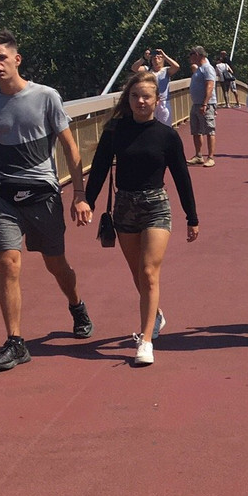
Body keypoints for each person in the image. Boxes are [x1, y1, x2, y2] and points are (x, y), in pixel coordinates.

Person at [0, 29, 95, 371]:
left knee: (55, 263)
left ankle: (76, 305)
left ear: (17, 59)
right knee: (8, 263)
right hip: (3, 195)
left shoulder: (46, 97)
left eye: (2, 57)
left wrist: (79, 194)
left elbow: (71, 147)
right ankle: (16, 342)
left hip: (42, 193)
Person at [85, 71, 199, 366]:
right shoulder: (114, 130)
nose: (140, 101)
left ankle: (145, 340)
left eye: (146, 96)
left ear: (157, 99)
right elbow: (98, 168)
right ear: (129, 99)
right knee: (138, 274)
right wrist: (87, 200)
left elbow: (181, 177)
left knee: (149, 272)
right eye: (135, 96)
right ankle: (156, 314)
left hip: (155, 205)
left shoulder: (167, 136)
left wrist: (192, 216)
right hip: (124, 206)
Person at [130, 47, 180, 125]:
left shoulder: (166, 70)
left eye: (159, 57)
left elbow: (176, 66)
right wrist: (144, 58)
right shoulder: (148, 70)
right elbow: (134, 68)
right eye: (154, 57)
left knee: (165, 126)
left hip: (163, 103)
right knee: (151, 125)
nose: (156, 58)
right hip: (151, 103)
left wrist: (164, 55)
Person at [186, 46, 216, 167]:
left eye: (191, 54)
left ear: (197, 54)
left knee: (209, 130)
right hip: (196, 104)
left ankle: (210, 157)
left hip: (205, 104)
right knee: (196, 131)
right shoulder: (199, 69)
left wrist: (205, 103)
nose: (189, 57)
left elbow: (210, 86)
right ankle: (199, 155)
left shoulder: (207, 68)